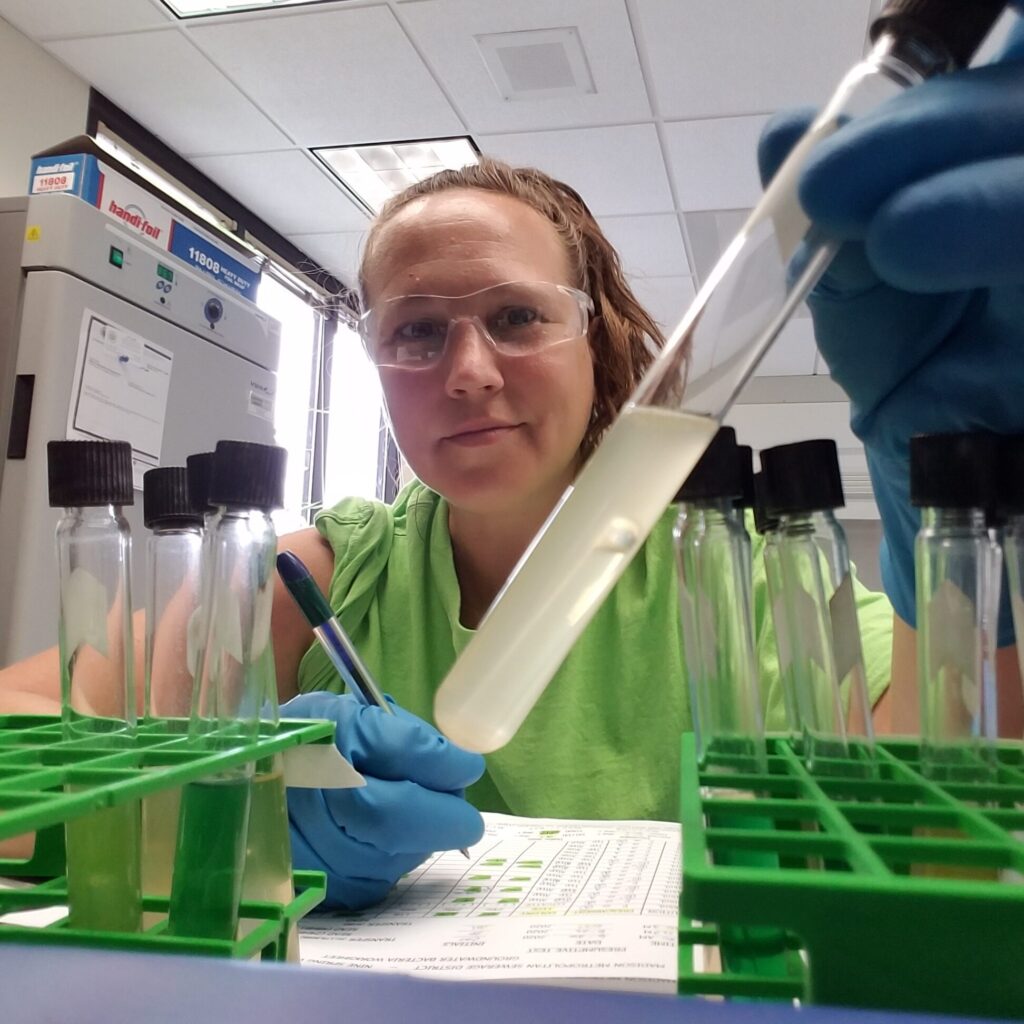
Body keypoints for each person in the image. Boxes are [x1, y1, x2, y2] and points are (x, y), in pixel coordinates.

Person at [3, 9, 1023, 911]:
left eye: (515, 316)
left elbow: (943, 838)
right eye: (414, 332)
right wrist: (237, 802)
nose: (467, 370)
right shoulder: (325, 568)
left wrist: (979, 552)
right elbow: (34, 738)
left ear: (604, 341)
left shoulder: (740, 569)